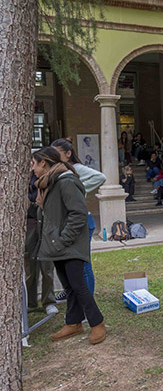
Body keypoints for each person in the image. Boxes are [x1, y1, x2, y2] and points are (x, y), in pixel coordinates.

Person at [32, 147, 106, 344]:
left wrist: (63, 239)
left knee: (78, 285)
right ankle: (73, 323)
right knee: (69, 286)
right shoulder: (48, 184)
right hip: (57, 244)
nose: (32, 169)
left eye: (34, 164)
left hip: (68, 244)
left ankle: (97, 323)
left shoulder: (65, 181)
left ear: (44, 163)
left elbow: (78, 213)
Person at [52, 138, 107, 299]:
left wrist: (78, 189)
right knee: (67, 262)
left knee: (83, 263)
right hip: (66, 222)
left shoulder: (77, 168)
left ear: (68, 154)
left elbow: (100, 177)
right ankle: (69, 291)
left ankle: (87, 299)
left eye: (57, 153)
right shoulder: (59, 170)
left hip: (82, 221)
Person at [25, 171, 58, 315]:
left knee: (47, 268)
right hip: (28, 227)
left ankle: (48, 301)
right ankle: (30, 303)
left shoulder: (44, 180)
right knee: (30, 269)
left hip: (45, 225)